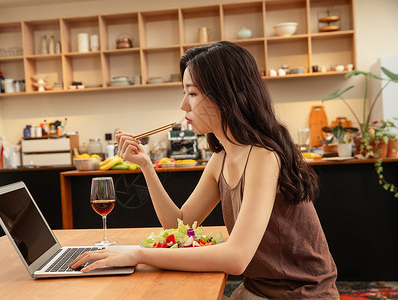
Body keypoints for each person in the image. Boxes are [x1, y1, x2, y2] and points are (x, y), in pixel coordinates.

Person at [70, 41, 339, 299]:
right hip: (259, 290)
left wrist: (137, 254)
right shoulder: (221, 159)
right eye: (184, 92)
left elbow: (236, 258)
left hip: (299, 295)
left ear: (226, 97)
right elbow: (180, 223)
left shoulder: (262, 156)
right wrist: (146, 166)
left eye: (193, 93)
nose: (183, 105)